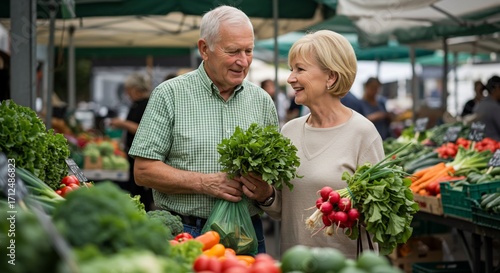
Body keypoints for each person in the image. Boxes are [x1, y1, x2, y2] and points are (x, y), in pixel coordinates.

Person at [128, 5, 279, 254]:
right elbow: (143, 171)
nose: (243, 61)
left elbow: (273, 177)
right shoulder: (169, 95)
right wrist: (205, 183)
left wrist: (266, 192)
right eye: (232, 51)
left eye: (248, 51)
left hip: (248, 233)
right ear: (204, 49)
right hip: (187, 233)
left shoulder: (262, 101)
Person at [239, 30, 385, 259]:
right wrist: (265, 194)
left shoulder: (363, 133)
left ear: (331, 77)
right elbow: (283, 210)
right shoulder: (289, 131)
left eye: (300, 69)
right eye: (291, 70)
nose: (290, 78)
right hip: (294, 262)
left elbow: (379, 217)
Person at [109, 73, 153, 211]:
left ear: (135, 89)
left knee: (141, 191)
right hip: (132, 154)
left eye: (128, 90)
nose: (127, 94)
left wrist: (122, 123)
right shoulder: (136, 104)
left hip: (141, 155)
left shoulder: (147, 104)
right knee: (136, 189)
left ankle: (144, 213)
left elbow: (142, 130)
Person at [473, 75, 500, 141]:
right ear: (496, 89)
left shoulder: (479, 105)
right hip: (494, 145)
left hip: (481, 145)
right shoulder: (494, 107)